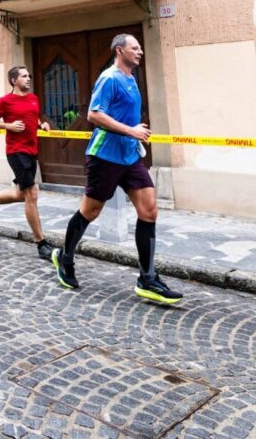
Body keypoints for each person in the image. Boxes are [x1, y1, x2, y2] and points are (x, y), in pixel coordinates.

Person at [51, 34, 182, 305]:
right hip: (105, 156)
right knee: (90, 211)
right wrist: (131, 131)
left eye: (141, 47)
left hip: (129, 156)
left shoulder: (131, 79)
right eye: (135, 48)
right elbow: (94, 115)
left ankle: (147, 278)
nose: (140, 51)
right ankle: (65, 257)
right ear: (120, 50)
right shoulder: (109, 78)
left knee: (149, 210)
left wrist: (135, 136)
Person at [0, 66, 55, 262]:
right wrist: (8, 125)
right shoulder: (5, 101)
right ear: (14, 80)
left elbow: (34, 117)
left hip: (32, 151)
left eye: (29, 75)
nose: (28, 78)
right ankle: (41, 243)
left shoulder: (33, 98)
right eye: (24, 76)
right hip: (16, 152)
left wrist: (42, 124)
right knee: (32, 194)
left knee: (20, 194)